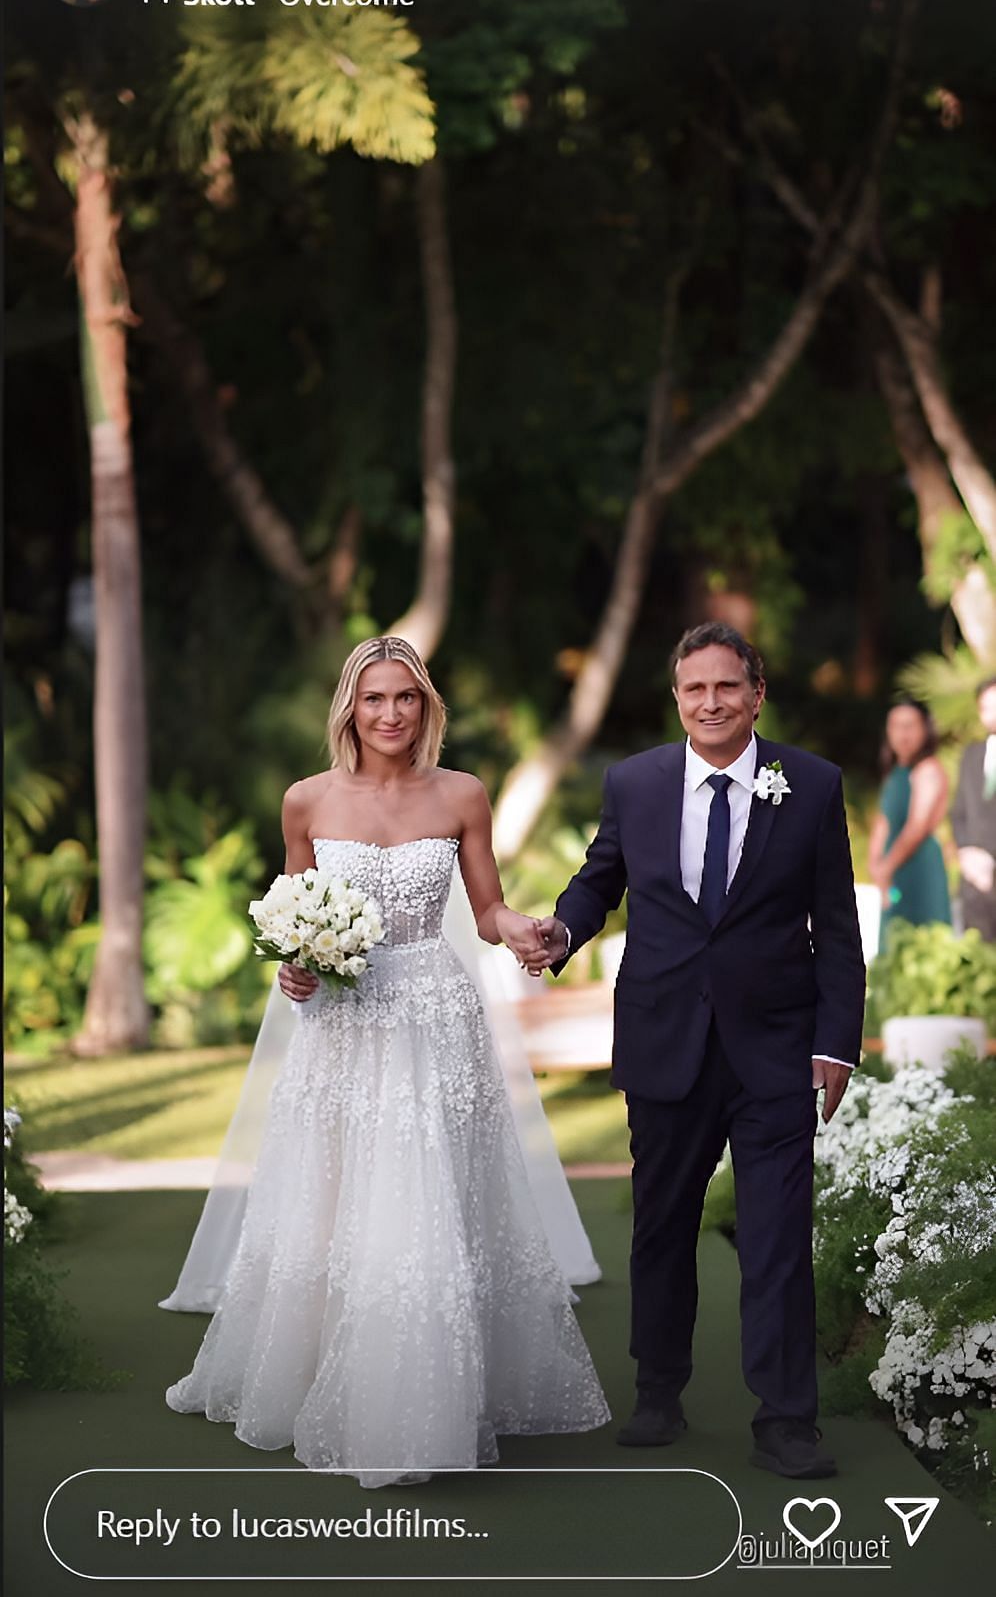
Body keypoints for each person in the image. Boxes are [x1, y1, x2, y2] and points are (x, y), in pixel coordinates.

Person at [164, 635, 609, 1485]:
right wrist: (296, 966)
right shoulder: (306, 801)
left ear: (426, 705)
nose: (391, 713)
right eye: (375, 699)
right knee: (337, 1188)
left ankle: (433, 1392)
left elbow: (486, 910)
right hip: (345, 1019)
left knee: (430, 1191)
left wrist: (523, 931)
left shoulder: (463, 794)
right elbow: (293, 915)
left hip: (436, 1013)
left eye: (405, 697)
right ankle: (314, 1374)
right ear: (351, 710)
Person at [525, 622, 865, 1481]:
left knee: (779, 1233)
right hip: (664, 1036)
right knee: (662, 1224)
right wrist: (563, 928)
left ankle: (787, 1418)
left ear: (756, 694)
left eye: (726, 687)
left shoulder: (813, 785)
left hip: (777, 1048)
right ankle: (658, 1392)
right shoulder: (634, 783)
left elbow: (839, 924)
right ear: (677, 698)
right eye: (693, 689)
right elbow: (601, 878)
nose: (709, 703)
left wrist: (836, 1043)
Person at [869, 697, 951, 949]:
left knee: (922, 945)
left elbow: (917, 827)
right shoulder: (895, 774)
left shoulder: (928, 769)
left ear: (925, 729)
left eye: (910, 725)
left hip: (919, 869)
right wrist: (874, 864)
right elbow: (883, 822)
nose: (902, 733)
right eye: (895, 725)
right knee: (893, 944)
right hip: (893, 871)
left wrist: (886, 866)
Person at [951, 675, 996, 941]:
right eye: (987, 707)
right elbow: (959, 813)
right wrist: (968, 853)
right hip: (973, 881)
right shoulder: (972, 755)